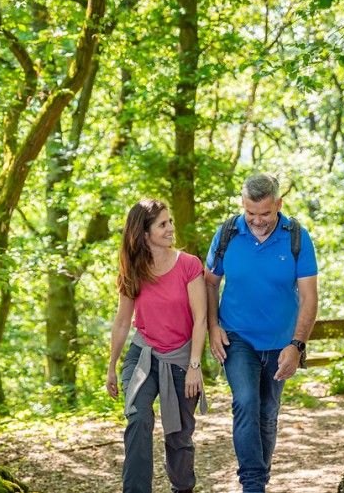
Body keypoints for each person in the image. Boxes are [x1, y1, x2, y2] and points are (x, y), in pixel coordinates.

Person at [205, 174, 319, 493]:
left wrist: (297, 345)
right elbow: (209, 283)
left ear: (278, 204)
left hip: (281, 342)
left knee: (268, 413)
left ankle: (260, 477)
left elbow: (310, 297)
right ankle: (253, 485)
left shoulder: (297, 236)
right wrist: (213, 327)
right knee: (245, 401)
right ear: (243, 204)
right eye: (250, 213)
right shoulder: (227, 233)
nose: (257, 221)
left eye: (265, 214)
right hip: (237, 337)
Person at [107, 198, 208, 493]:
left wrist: (194, 366)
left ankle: (182, 489)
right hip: (143, 356)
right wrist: (111, 366)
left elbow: (200, 319)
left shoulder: (189, 265)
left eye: (170, 222)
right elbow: (123, 322)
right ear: (145, 233)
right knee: (138, 418)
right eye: (162, 224)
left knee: (179, 437)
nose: (170, 228)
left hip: (181, 359)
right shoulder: (133, 270)